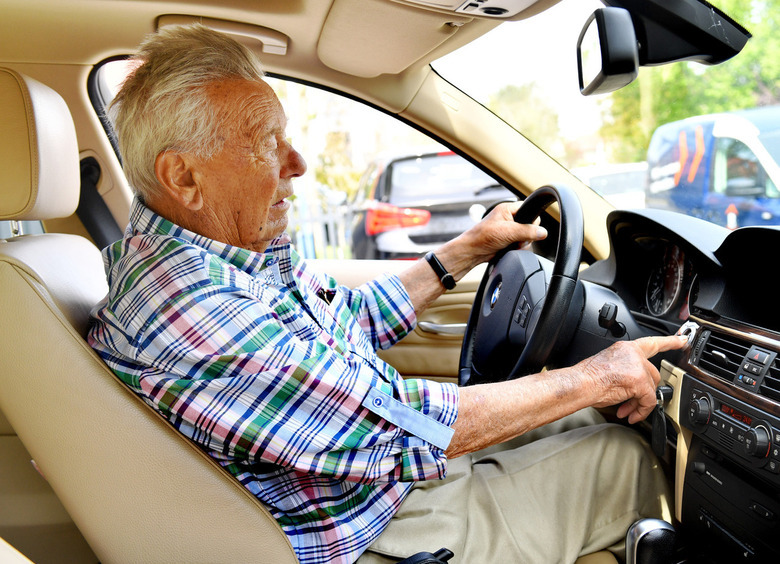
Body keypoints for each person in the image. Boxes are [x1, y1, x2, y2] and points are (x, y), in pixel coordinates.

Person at [88, 24, 686, 564]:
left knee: (590, 416)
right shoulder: (193, 307)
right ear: (183, 177)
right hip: (376, 529)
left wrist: (467, 248)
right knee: (629, 460)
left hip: (374, 483)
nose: (296, 163)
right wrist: (599, 374)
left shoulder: (218, 257)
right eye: (266, 143)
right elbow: (399, 424)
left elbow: (343, 321)